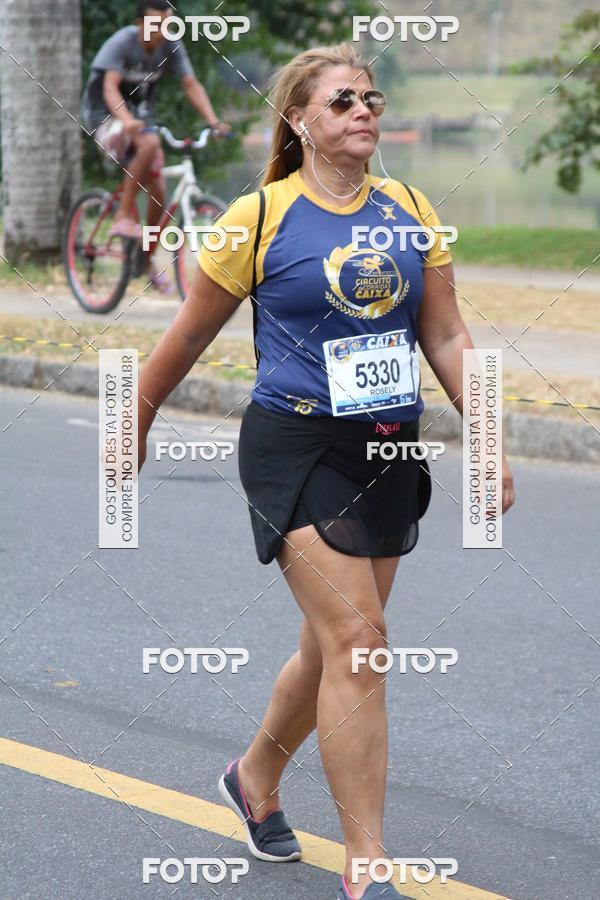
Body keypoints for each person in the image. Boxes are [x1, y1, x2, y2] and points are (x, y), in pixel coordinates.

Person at [137, 42, 515, 900]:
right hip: (294, 447)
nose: (364, 112)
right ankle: (368, 861)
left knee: (331, 643)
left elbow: (448, 338)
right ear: (301, 122)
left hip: (384, 446)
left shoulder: (412, 208)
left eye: (371, 99)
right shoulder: (259, 217)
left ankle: (253, 778)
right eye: (343, 101)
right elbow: (190, 334)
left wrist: (488, 437)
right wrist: (137, 416)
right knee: (362, 642)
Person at [81, 0, 230, 290]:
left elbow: (191, 84)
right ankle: (123, 216)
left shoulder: (171, 45)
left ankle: (144, 258)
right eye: (154, 24)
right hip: (103, 117)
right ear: (139, 23)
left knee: (159, 190)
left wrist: (213, 122)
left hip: (141, 121)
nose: (161, 30)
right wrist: (126, 120)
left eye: (166, 23)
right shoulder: (121, 43)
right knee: (148, 143)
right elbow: (109, 87)